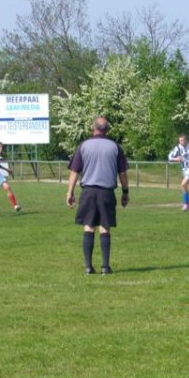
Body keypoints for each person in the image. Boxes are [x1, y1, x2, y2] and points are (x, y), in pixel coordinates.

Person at [67, 117, 130, 275]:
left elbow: (75, 171)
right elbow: (122, 173)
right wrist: (125, 192)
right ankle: (105, 266)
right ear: (107, 129)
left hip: (88, 191)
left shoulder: (84, 146)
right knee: (105, 227)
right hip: (107, 192)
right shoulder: (115, 147)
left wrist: (70, 192)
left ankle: (88, 267)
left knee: (88, 226)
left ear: (92, 128)